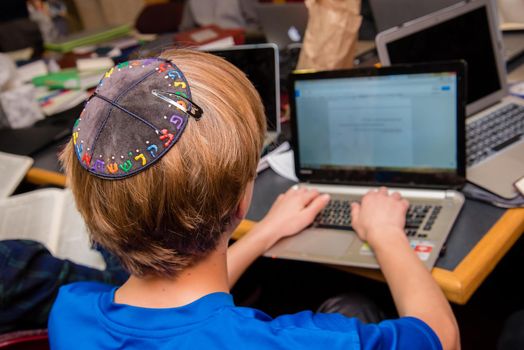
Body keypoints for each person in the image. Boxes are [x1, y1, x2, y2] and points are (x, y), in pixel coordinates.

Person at [48, 49, 460, 349]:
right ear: (242, 200)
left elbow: (184, 314)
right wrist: (387, 235)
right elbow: (441, 336)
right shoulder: (296, 342)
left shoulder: (69, 314)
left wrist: (262, 236)